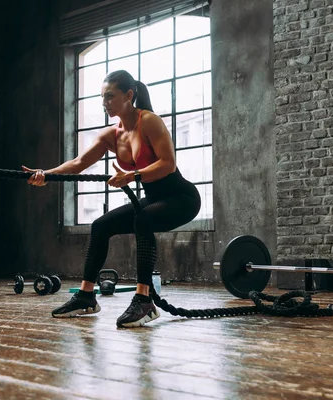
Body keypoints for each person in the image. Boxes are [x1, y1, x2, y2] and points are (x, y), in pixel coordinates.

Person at [23, 70, 201, 328]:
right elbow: (78, 163)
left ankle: (144, 300)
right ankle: (86, 297)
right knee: (100, 226)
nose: (104, 102)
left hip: (182, 199)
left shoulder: (149, 121)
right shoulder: (111, 135)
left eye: (110, 96)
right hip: (153, 200)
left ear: (129, 95)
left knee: (143, 219)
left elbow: (168, 164)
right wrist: (45, 174)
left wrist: (132, 175)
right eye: (102, 97)